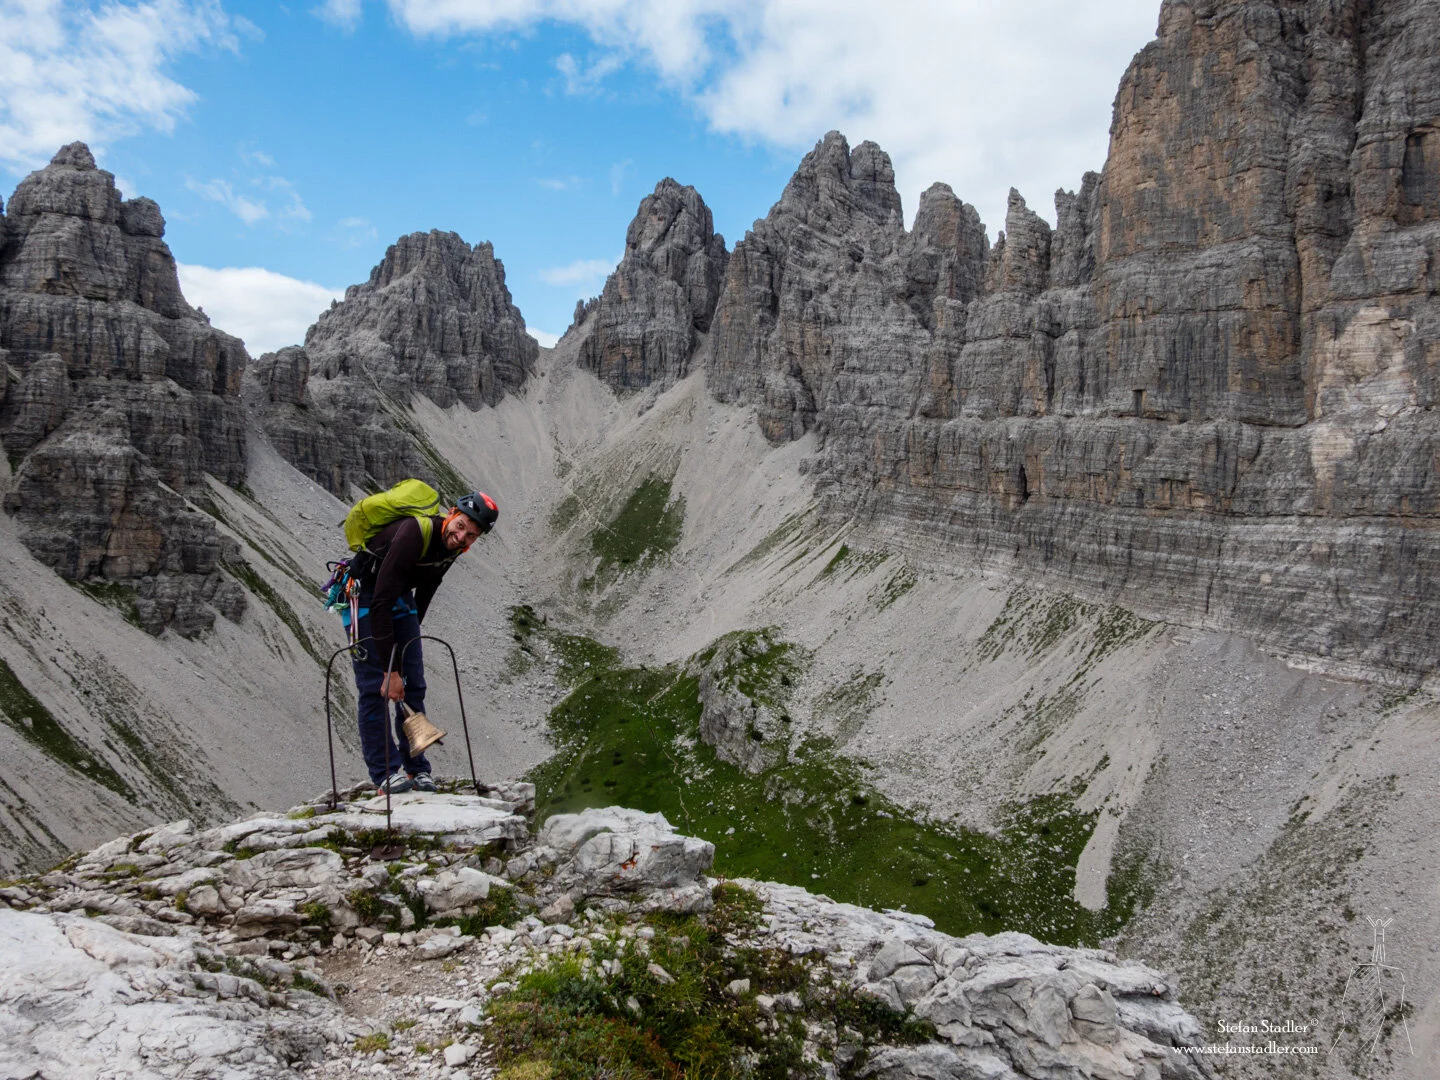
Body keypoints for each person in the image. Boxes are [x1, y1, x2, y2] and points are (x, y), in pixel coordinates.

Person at [346, 491, 498, 794]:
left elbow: (427, 589)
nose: (462, 536)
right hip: (367, 598)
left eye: (472, 534)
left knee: (414, 684)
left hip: (400, 598)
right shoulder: (414, 534)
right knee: (376, 686)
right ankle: (385, 773)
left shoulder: (454, 547)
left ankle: (417, 769)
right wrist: (391, 671)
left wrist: (410, 644)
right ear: (452, 513)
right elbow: (380, 604)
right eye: (461, 526)